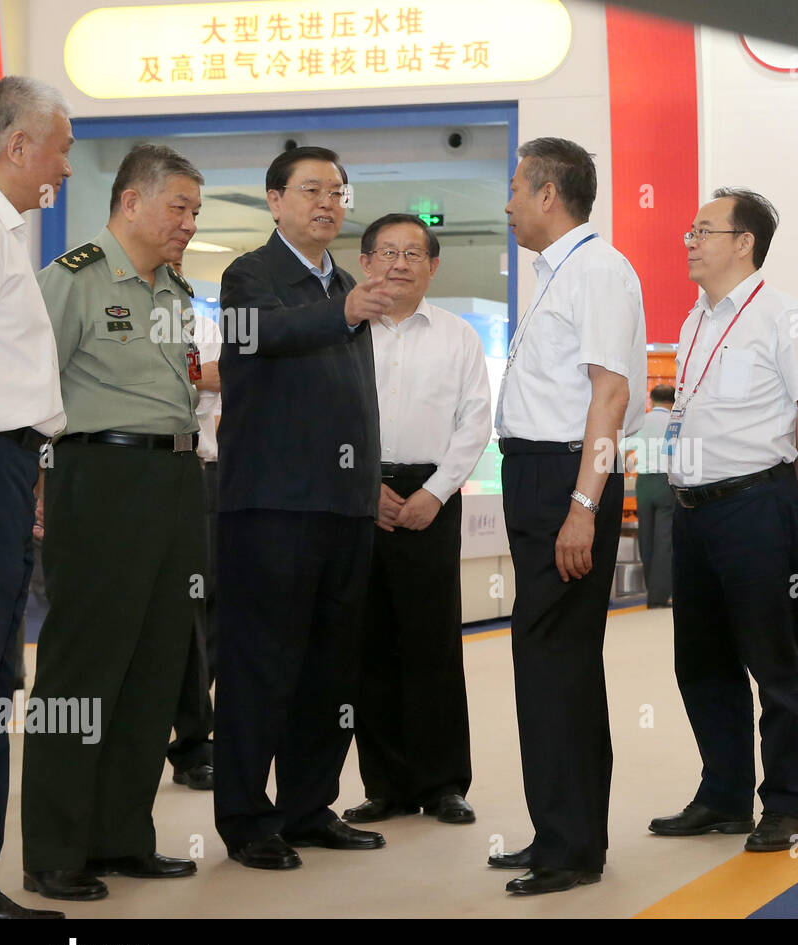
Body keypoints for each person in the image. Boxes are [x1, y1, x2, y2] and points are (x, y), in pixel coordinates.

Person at [24, 144, 205, 902]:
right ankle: (56, 850)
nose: (189, 225)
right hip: (99, 476)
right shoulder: (72, 279)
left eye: (195, 212)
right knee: (82, 668)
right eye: (179, 208)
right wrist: (37, 483)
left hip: (174, 478)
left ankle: (124, 835)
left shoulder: (176, 292)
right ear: (131, 201)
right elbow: (32, 386)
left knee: (155, 665)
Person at [215, 145, 392, 870]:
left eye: (338, 191)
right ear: (275, 201)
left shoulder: (347, 281)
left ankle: (309, 806)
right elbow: (254, 338)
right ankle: (247, 820)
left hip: (345, 508)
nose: (327, 202)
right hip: (273, 506)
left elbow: (354, 402)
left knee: (329, 669)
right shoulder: (249, 275)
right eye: (311, 189)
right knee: (262, 666)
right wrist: (340, 311)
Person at [650, 188, 798, 852]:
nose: (690, 242)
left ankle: (784, 804)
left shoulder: (784, 319)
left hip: (758, 507)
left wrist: (791, 497)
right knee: (700, 662)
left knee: (772, 664)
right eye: (690, 230)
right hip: (693, 512)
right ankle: (723, 794)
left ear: (743, 241)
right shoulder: (696, 320)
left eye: (703, 230)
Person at [490, 137, 646, 895]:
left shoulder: (599, 272)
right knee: (549, 662)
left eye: (517, 188)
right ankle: (563, 830)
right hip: (537, 476)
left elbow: (610, 397)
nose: (509, 202)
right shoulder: (558, 274)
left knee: (556, 659)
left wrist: (583, 507)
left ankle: (571, 847)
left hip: (565, 481)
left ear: (550, 194)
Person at [342, 213, 490, 826]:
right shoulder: (344, 333)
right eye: (387, 252)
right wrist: (362, 485)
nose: (399, 263)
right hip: (357, 495)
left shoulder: (458, 336)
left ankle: (444, 782)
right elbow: (326, 420)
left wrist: (436, 491)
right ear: (366, 261)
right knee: (368, 644)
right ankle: (387, 785)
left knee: (431, 644)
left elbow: (475, 419)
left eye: (413, 253)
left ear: (433, 266)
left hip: (434, 496)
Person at [0, 76, 72, 920]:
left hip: (15, 462)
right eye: (60, 144)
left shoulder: (14, 231)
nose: (65, 161)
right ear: (19, 147)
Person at [167, 264, 221, 791]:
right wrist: (190, 374)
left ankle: (200, 742)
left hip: (209, 475)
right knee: (184, 618)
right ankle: (191, 742)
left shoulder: (201, 325)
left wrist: (186, 374)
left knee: (216, 611)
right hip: (147, 474)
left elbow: (224, 379)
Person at [627, 384, 674, 608]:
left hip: (643, 482)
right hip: (666, 482)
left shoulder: (641, 422)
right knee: (664, 539)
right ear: (673, 402)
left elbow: (623, 450)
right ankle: (659, 596)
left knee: (646, 537)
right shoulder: (675, 423)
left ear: (651, 400)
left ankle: (651, 591)